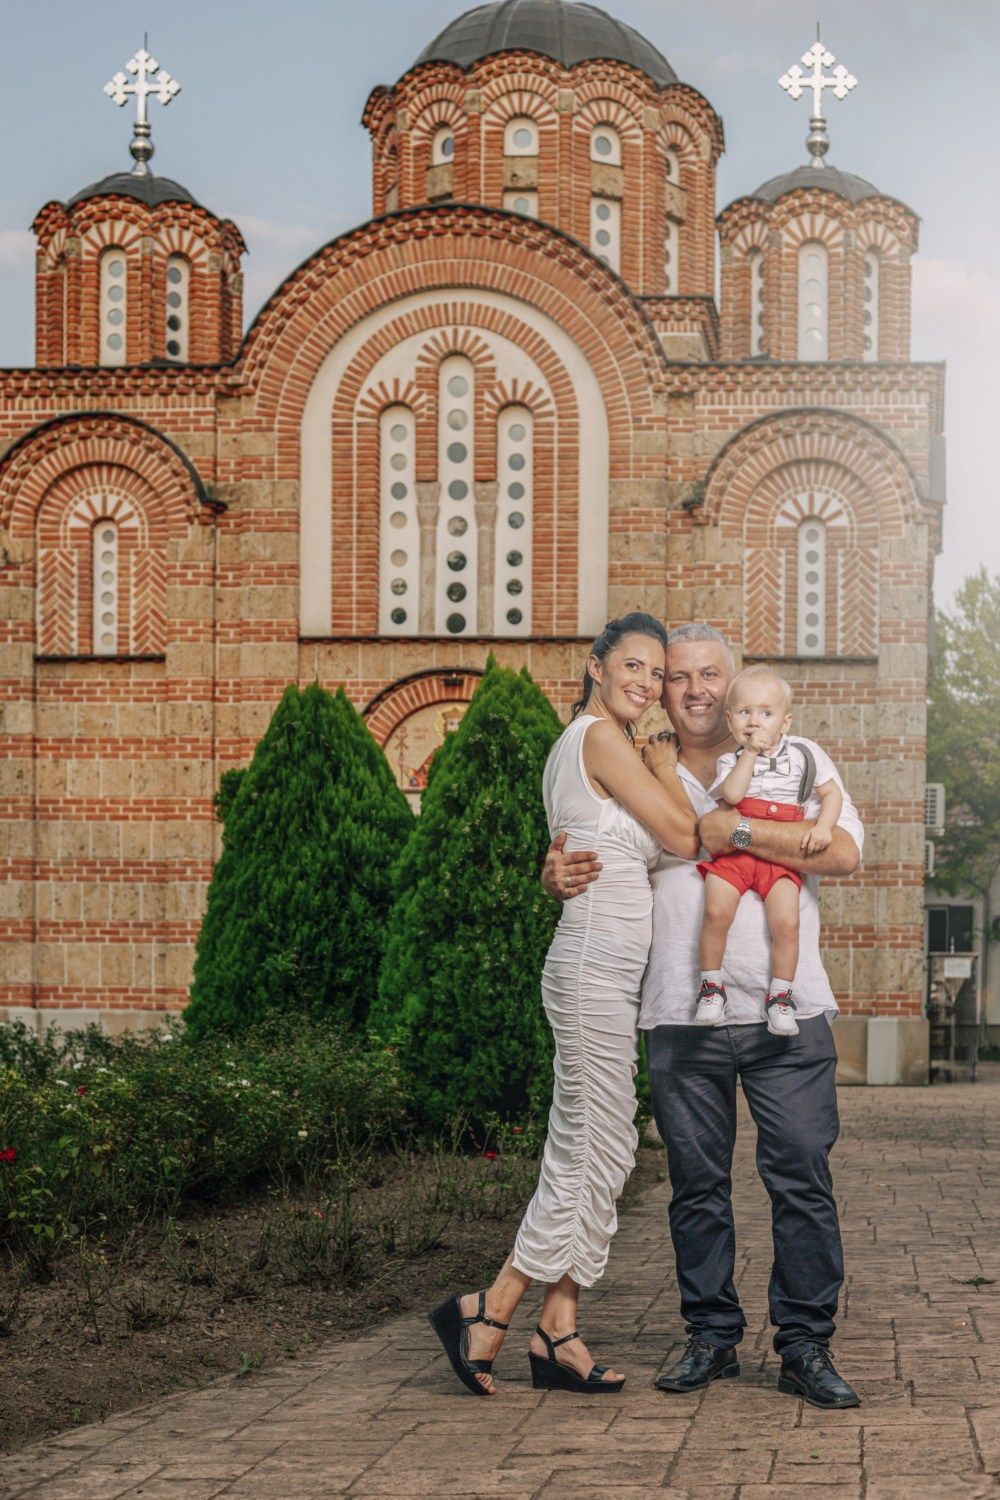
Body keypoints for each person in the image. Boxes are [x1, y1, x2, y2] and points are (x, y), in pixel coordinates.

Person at [543, 624, 864, 1410]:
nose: (690, 689)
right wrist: (556, 870)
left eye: (707, 674)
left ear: (732, 682)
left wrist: (744, 831)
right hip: (681, 1013)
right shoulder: (638, 766)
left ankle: (804, 1346)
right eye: (675, 675)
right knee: (695, 1188)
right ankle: (711, 1337)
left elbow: (847, 851)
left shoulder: (791, 753)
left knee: (800, 1178)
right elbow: (604, 853)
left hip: (789, 1010)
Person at [428, 613, 700, 1397]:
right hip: (590, 967)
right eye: (636, 667)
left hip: (608, 969)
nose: (647, 684)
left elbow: (597, 848)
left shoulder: (587, 748)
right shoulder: (601, 739)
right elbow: (682, 834)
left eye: (657, 673)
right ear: (597, 665)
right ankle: (492, 1307)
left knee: (601, 1147)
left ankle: (558, 1331)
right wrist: (665, 761)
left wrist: (556, 868)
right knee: (592, 1147)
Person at [694, 665, 843, 1038]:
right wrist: (748, 753)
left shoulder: (804, 755)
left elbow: (831, 794)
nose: (754, 721)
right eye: (744, 713)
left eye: (766, 713)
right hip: (737, 854)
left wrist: (823, 826)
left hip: (780, 853)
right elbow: (732, 797)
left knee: (787, 923)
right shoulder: (730, 760)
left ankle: (780, 997)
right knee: (715, 909)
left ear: (785, 721)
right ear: (730, 721)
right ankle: (711, 987)